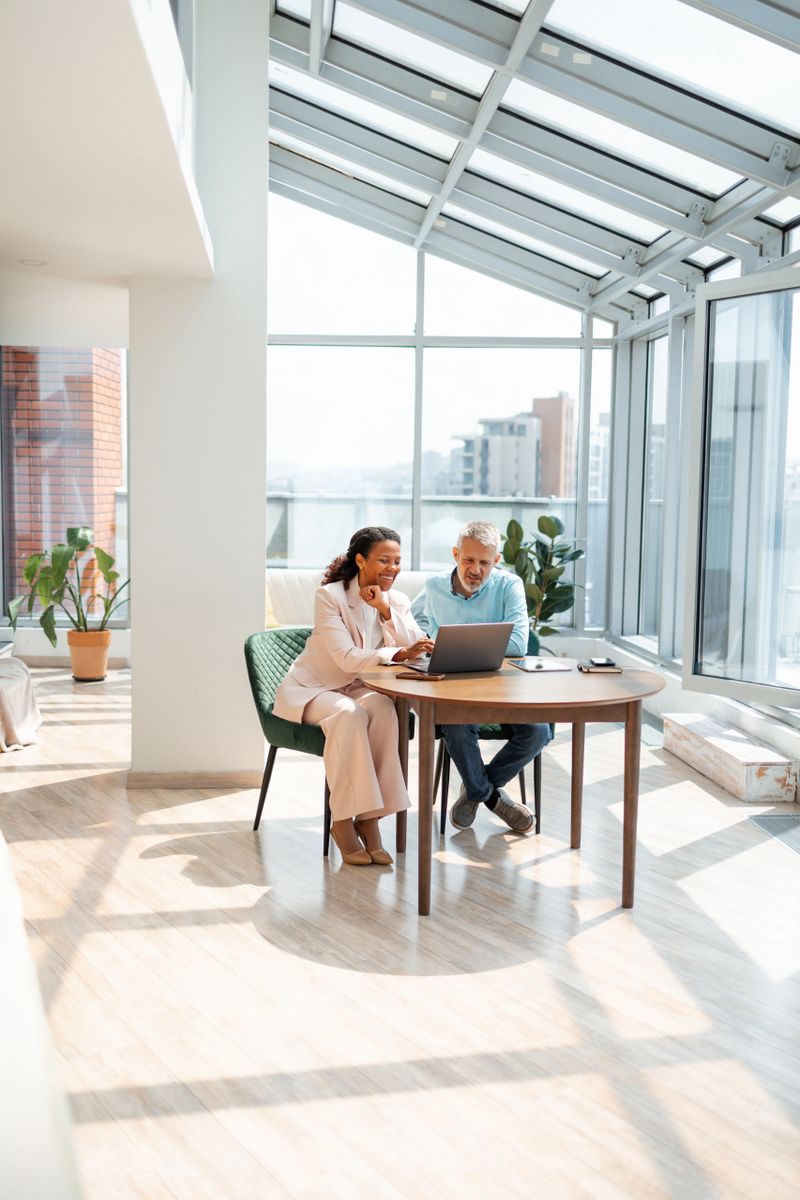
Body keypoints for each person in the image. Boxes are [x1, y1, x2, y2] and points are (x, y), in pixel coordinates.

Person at [274, 526, 434, 866]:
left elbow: (416, 649)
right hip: (315, 688)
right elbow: (345, 657)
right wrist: (398, 654)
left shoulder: (397, 600)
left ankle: (370, 819)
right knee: (348, 714)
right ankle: (343, 822)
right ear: (361, 561)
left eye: (397, 561)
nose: (392, 568)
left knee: (384, 709)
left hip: (362, 687)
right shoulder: (330, 597)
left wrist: (386, 611)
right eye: (384, 560)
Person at [416, 520, 552, 834]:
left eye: (484, 562)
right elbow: (414, 619)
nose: (475, 569)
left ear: (496, 561)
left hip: (505, 684)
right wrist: (431, 639)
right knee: (456, 727)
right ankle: (491, 797)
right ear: (455, 554)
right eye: (468, 560)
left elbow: (519, 644)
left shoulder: (509, 585)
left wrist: (457, 640)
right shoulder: (434, 586)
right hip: (456, 685)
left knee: (539, 732)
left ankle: (477, 791)